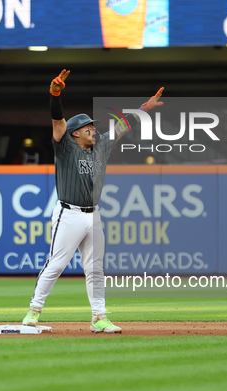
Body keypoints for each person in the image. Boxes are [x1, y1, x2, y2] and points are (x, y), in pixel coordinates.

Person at [22, 69, 164, 333]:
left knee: (95, 269)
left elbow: (122, 127)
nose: (93, 129)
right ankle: (34, 310)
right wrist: (55, 94)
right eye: (88, 127)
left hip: (93, 215)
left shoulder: (100, 146)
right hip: (69, 213)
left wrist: (143, 109)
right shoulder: (65, 147)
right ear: (75, 133)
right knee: (56, 264)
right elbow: (57, 120)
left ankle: (99, 317)